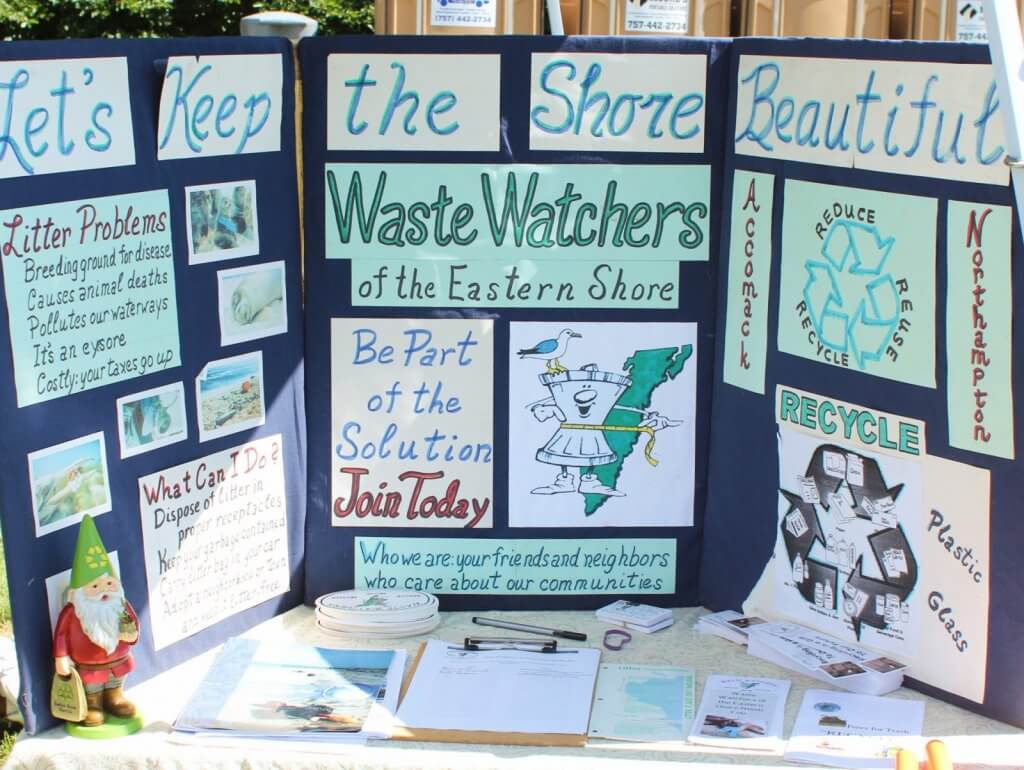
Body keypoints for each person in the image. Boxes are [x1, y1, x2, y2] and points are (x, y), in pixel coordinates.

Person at [53, 515, 139, 727]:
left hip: (118, 660)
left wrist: (131, 633)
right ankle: (93, 704)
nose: (104, 590)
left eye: (109, 583)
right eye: (94, 587)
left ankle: (115, 697)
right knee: (92, 686)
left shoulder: (120, 605)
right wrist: (61, 657)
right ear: (79, 593)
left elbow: (132, 624)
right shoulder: (73, 613)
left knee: (115, 681)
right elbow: (61, 635)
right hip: (88, 666)